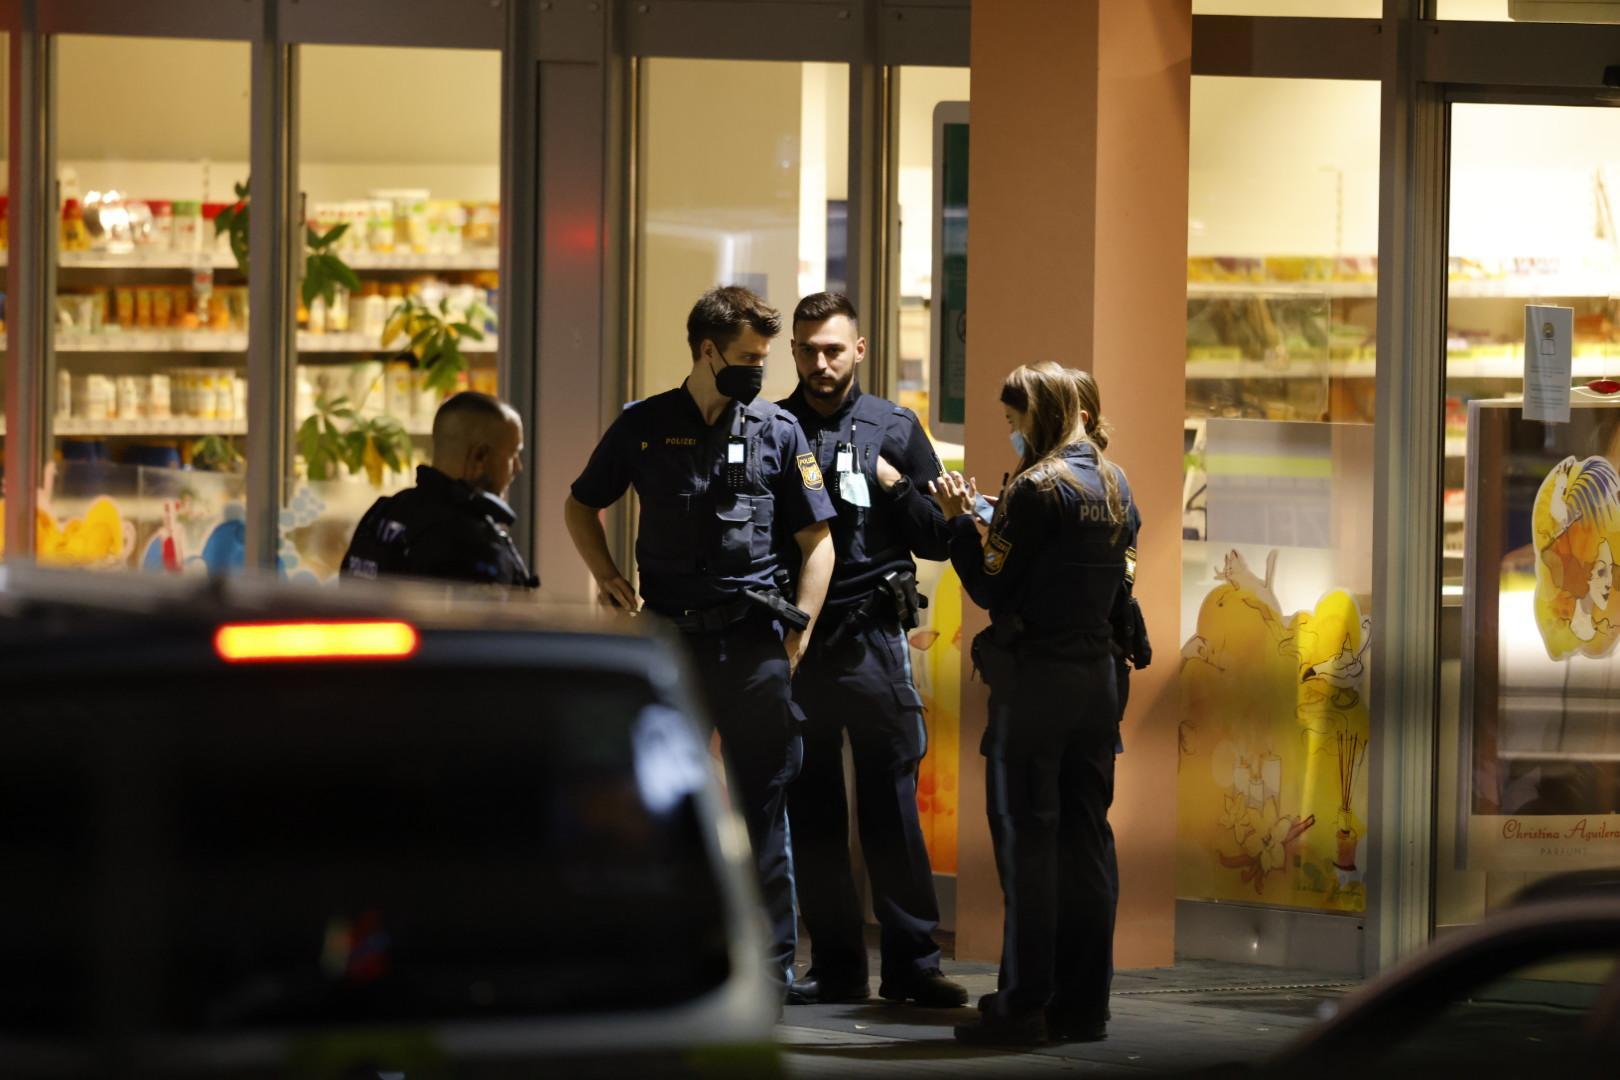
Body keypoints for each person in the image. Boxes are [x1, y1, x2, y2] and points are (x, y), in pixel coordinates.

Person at [563, 285, 837, 996]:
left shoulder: (779, 430)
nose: (761, 369)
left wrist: (798, 629)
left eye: (765, 358)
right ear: (708, 351)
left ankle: (770, 973)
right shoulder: (645, 426)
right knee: (662, 809)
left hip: (754, 646)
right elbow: (580, 504)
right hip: (671, 648)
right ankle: (671, 960)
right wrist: (608, 575)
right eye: (749, 357)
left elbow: (820, 543)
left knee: (761, 808)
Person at [931, 362, 1140, 1046]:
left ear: (1040, 414)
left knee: (1029, 843)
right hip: (1097, 686)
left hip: (1036, 686)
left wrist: (963, 523)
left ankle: (1024, 1002)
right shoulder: (1115, 483)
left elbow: (994, 587)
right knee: (1088, 843)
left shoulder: (1037, 488)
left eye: (1015, 420)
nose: (1013, 434)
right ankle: (1086, 1006)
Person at [777, 292, 967, 1009]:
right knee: (813, 810)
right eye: (808, 349)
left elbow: (934, 538)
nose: (820, 362)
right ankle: (834, 966)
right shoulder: (771, 426)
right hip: (799, 642)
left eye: (833, 348)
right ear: (793, 353)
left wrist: (895, 485)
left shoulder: (893, 425)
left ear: (860, 349)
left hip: (871, 640)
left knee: (892, 808)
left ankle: (914, 965)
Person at [340, 390, 536, 588]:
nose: (518, 467)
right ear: (480, 457)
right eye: (513, 456)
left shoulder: (381, 515)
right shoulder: (473, 544)